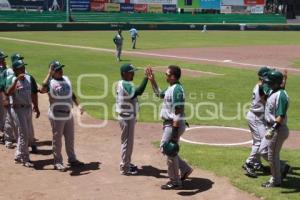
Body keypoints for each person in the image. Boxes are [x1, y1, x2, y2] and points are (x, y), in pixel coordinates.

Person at [146, 65, 193, 190]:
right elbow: (159, 94)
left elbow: (178, 111)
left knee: (169, 151)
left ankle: (175, 181)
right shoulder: (172, 87)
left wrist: (174, 134)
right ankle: (185, 169)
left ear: (173, 76)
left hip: (173, 125)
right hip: (171, 124)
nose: (165, 76)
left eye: (167, 74)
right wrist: (152, 80)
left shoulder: (177, 90)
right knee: (167, 150)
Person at [39, 60, 84, 172]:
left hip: (68, 113)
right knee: (57, 139)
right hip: (56, 114)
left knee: (70, 138)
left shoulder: (66, 79)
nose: (61, 70)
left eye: (61, 68)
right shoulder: (51, 82)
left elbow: (71, 94)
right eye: (58, 69)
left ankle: (72, 159)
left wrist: (78, 105)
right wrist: (49, 74)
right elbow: (42, 90)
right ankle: (58, 162)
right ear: (52, 71)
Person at [6, 59, 40, 167]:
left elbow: (33, 93)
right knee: (24, 133)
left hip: (28, 108)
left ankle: (19, 154)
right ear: (15, 70)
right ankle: (26, 159)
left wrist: (36, 106)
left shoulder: (29, 78)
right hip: (18, 109)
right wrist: (16, 81)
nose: (23, 69)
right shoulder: (11, 79)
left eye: (24, 67)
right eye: (21, 68)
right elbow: (8, 92)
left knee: (25, 133)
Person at [115, 63, 148, 175]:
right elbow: (138, 92)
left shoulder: (123, 83)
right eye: (131, 72)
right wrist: (146, 78)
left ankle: (127, 163)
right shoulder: (125, 83)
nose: (133, 73)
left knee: (127, 142)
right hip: (126, 117)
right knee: (127, 143)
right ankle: (125, 167)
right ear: (124, 74)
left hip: (126, 116)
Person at [261, 70, 290, 188]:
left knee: (272, 155)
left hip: (277, 129)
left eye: (271, 82)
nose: (268, 84)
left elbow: (281, 116)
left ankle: (275, 180)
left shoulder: (281, 95)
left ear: (276, 83)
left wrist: (272, 129)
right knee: (262, 151)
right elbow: (273, 87)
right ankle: (282, 167)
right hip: (271, 127)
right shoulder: (274, 89)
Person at [243, 66, 271, 178]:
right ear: (264, 76)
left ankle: (256, 164)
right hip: (256, 118)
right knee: (260, 142)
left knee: (257, 141)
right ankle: (249, 163)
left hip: (256, 117)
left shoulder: (261, 85)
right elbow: (268, 98)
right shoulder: (261, 87)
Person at [0, 51, 8, 143]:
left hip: (2, 94)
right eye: (2, 58)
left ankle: (4, 133)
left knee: (3, 114)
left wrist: (5, 67)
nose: (4, 59)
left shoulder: (4, 68)